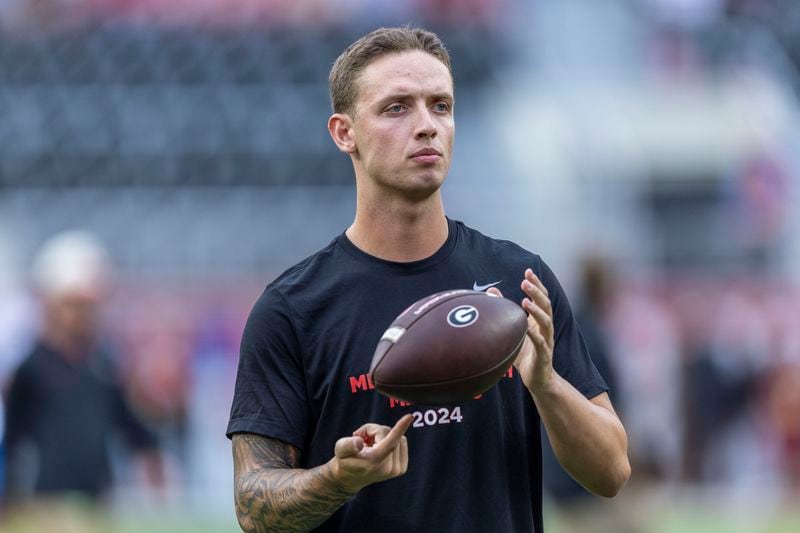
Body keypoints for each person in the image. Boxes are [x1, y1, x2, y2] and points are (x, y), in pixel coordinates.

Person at [227, 26, 630, 532]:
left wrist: (546, 384)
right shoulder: (293, 308)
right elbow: (252, 506)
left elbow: (612, 473)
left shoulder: (519, 281)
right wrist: (337, 477)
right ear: (343, 132)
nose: (427, 125)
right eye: (397, 108)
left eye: (440, 106)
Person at [2, 230, 162, 503]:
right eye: (74, 305)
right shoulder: (31, 368)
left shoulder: (103, 366)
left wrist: (149, 453)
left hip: (96, 502)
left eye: (90, 306)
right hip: (45, 506)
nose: (83, 316)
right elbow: (14, 443)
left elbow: (126, 423)